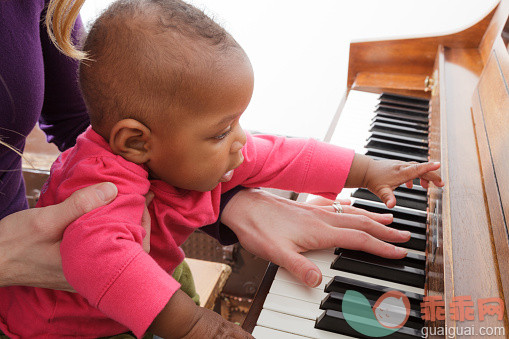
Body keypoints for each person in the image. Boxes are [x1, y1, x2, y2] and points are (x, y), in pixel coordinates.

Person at [0, 0, 444, 338]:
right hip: (64, 324)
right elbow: (102, 264)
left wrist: (367, 171)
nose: (240, 141)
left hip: (154, 280)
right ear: (136, 141)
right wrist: (198, 326)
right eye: (220, 132)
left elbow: (280, 153)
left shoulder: (166, 143)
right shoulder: (102, 186)